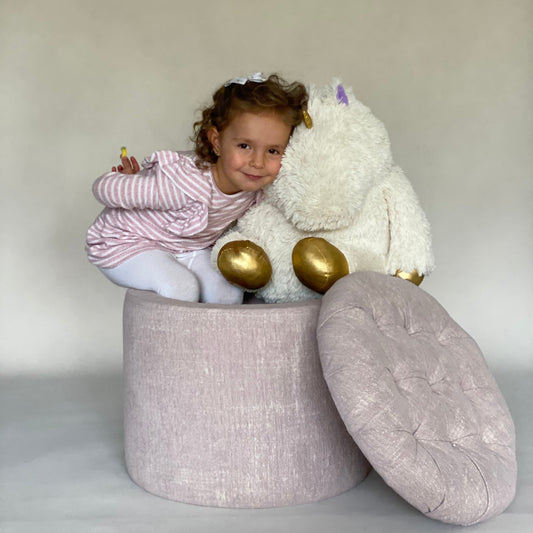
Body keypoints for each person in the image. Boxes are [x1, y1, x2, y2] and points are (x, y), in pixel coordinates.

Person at [86, 73, 308, 303]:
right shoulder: (183, 185)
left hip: (186, 247)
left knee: (229, 292)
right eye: (244, 146)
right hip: (126, 242)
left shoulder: (256, 189)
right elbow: (103, 189)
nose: (258, 162)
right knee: (182, 288)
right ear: (216, 142)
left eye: (272, 151)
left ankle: (214, 329)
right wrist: (129, 183)